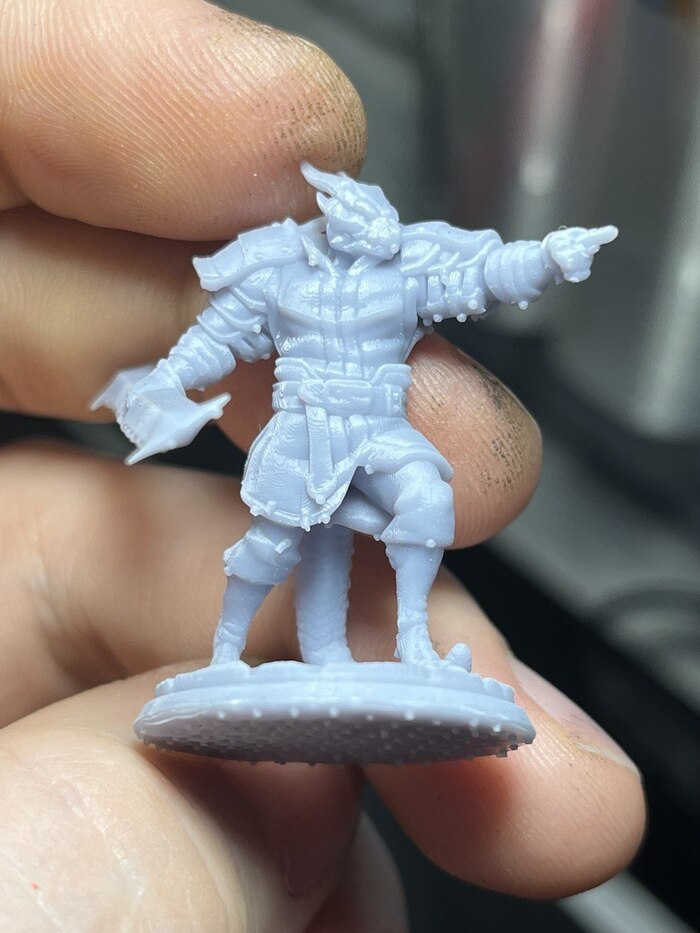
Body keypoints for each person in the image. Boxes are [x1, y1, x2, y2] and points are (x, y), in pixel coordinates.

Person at [0, 1, 645, 929]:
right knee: (278, 548)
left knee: (428, 498)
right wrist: (169, 379)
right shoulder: (277, 273)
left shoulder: (403, 272)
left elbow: (477, 276)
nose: (371, 223)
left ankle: (413, 639)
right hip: (304, 427)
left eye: (376, 213)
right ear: (330, 222)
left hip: (378, 423)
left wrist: (548, 257)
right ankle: (228, 653)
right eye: (353, 214)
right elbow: (219, 334)